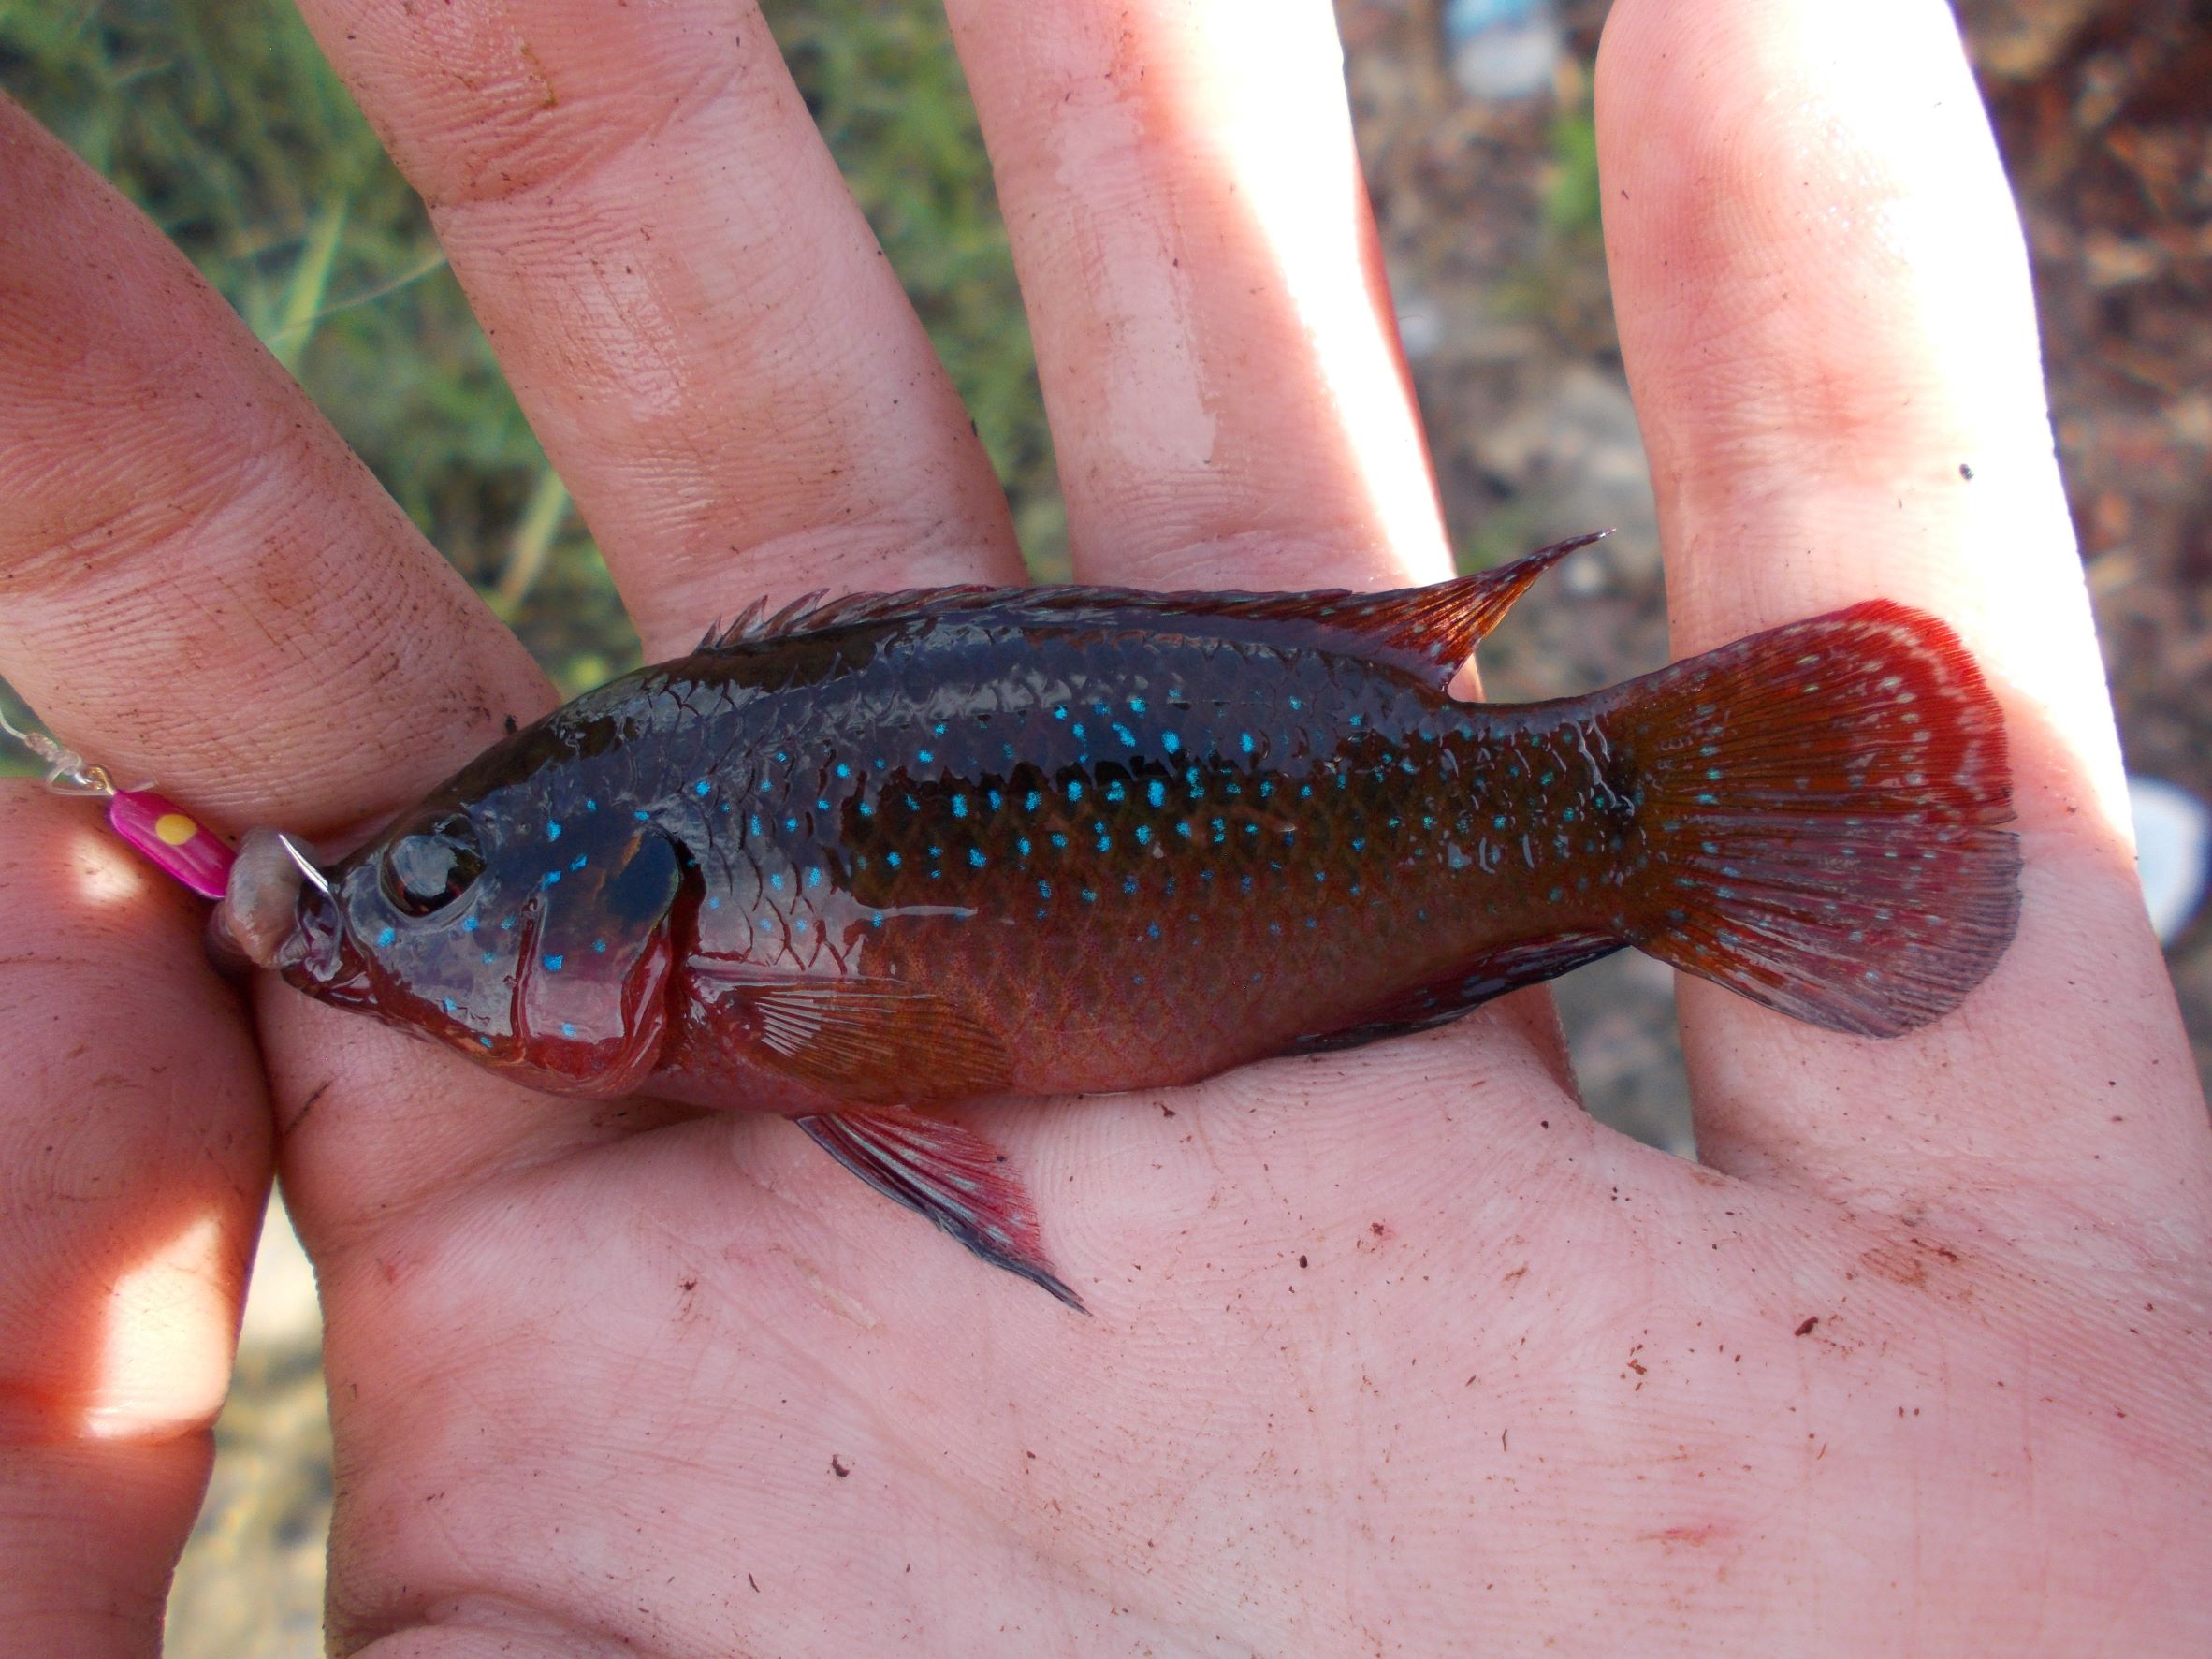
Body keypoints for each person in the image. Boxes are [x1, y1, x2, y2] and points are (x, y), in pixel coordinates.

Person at [2, 1, 2205, 1652]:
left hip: (1392, 790)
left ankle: (1665, 809)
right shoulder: (669, 886)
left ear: (625, 894)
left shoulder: (708, 944)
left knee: (1593, 818)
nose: (382, 931)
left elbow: (888, 1071)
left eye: (433, 889)